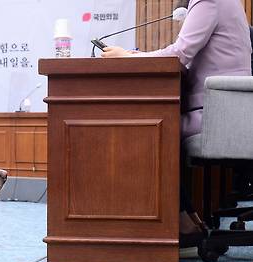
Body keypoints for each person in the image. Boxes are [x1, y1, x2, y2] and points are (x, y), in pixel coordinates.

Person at [102, 0, 252, 247]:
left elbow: (179, 54)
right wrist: (134, 56)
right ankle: (188, 218)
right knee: (158, 125)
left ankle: (177, 223)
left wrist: (127, 58)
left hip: (215, 114)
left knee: (152, 130)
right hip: (227, 111)